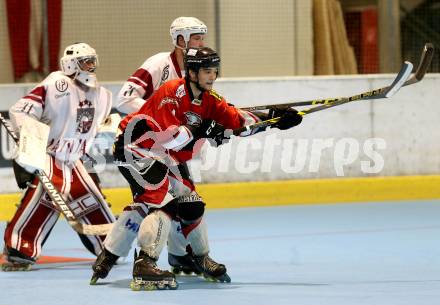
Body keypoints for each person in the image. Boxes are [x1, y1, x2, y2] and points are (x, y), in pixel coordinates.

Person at [114, 47, 302, 290]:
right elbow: (169, 138)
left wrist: (272, 119)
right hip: (136, 150)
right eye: (206, 71)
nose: (211, 76)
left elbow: (236, 121)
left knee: (191, 204)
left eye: (214, 71)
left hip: (164, 157)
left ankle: (197, 256)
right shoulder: (171, 92)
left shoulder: (210, 99)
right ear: (191, 72)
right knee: (165, 204)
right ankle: (144, 264)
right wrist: (203, 128)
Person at [91, 16, 210, 283]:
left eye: (202, 37)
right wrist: (159, 118)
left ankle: (177, 254)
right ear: (180, 40)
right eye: (196, 37)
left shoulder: (195, 70)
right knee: (159, 202)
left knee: (187, 198)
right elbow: (125, 98)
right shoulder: (159, 64)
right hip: (138, 147)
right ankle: (136, 260)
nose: (202, 42)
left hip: (167, 148)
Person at [1, 42, 115, 271]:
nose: (91, 67)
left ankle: (111, 246)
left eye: (93, 61)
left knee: (89, 198)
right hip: (51, 156)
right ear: (71, 64)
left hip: (76, 160)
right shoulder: (56, 84)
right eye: (86, 62)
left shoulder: (102, 94)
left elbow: (99, 127)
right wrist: (31, 148)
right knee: (44, 199)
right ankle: (19, 249)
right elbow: (21, 110)